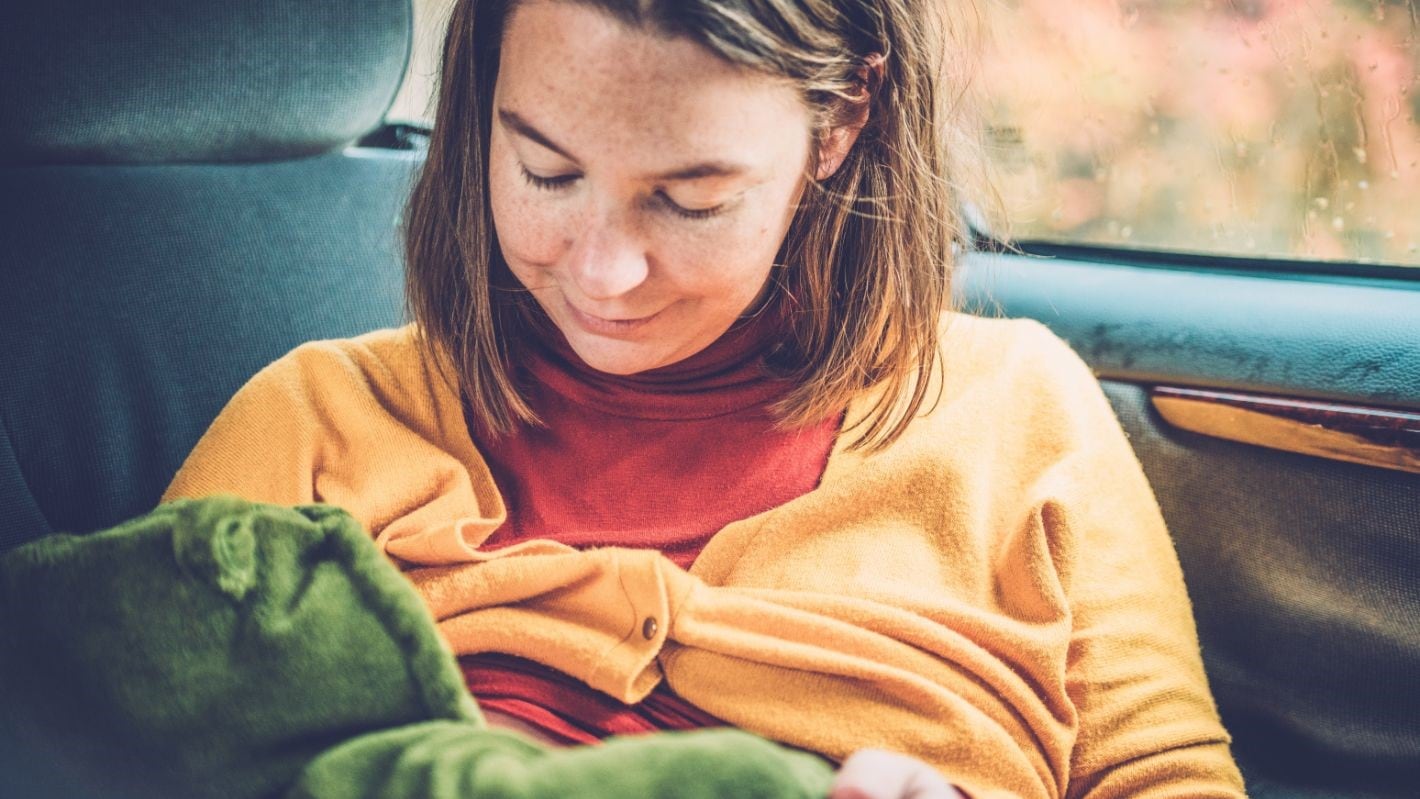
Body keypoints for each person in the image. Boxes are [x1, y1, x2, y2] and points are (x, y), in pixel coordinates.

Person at [163, 1, 1248, 797]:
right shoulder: (315, 418)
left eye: (688, 200)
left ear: (841, 121)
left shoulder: (1017, 412)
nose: (602, 271)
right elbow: (111, 741)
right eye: (544, 173)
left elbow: (1170, 779)